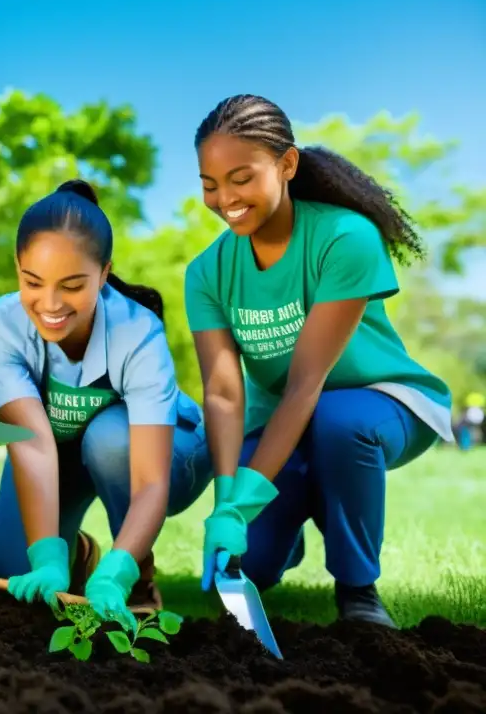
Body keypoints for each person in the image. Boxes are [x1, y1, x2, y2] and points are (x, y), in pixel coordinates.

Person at [185, 94, 453, 628]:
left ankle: (358, 590)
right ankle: (290, 529)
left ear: (286, 165)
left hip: (379, 403)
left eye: (241, 178)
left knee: (338, 420)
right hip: (286, 423)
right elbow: (222, 392)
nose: (224, 199)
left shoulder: (344, 238)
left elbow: (309, 382)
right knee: (248, 565)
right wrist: (225, 500)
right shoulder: (207, 272)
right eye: (210, 184)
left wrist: (243, 502)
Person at [0, 179, 213, 629]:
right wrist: (47, 556)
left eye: (72, 285)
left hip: (165, 454)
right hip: (59, 450)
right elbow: (30, 444)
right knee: (15, 571)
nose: (50, 303)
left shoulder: (137, 332)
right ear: (17, 266)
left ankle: (137, 578)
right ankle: (77, 555)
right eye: (33, 282)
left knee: (107, 439)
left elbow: (149, 482)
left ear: (103, 274)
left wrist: (122, 568)